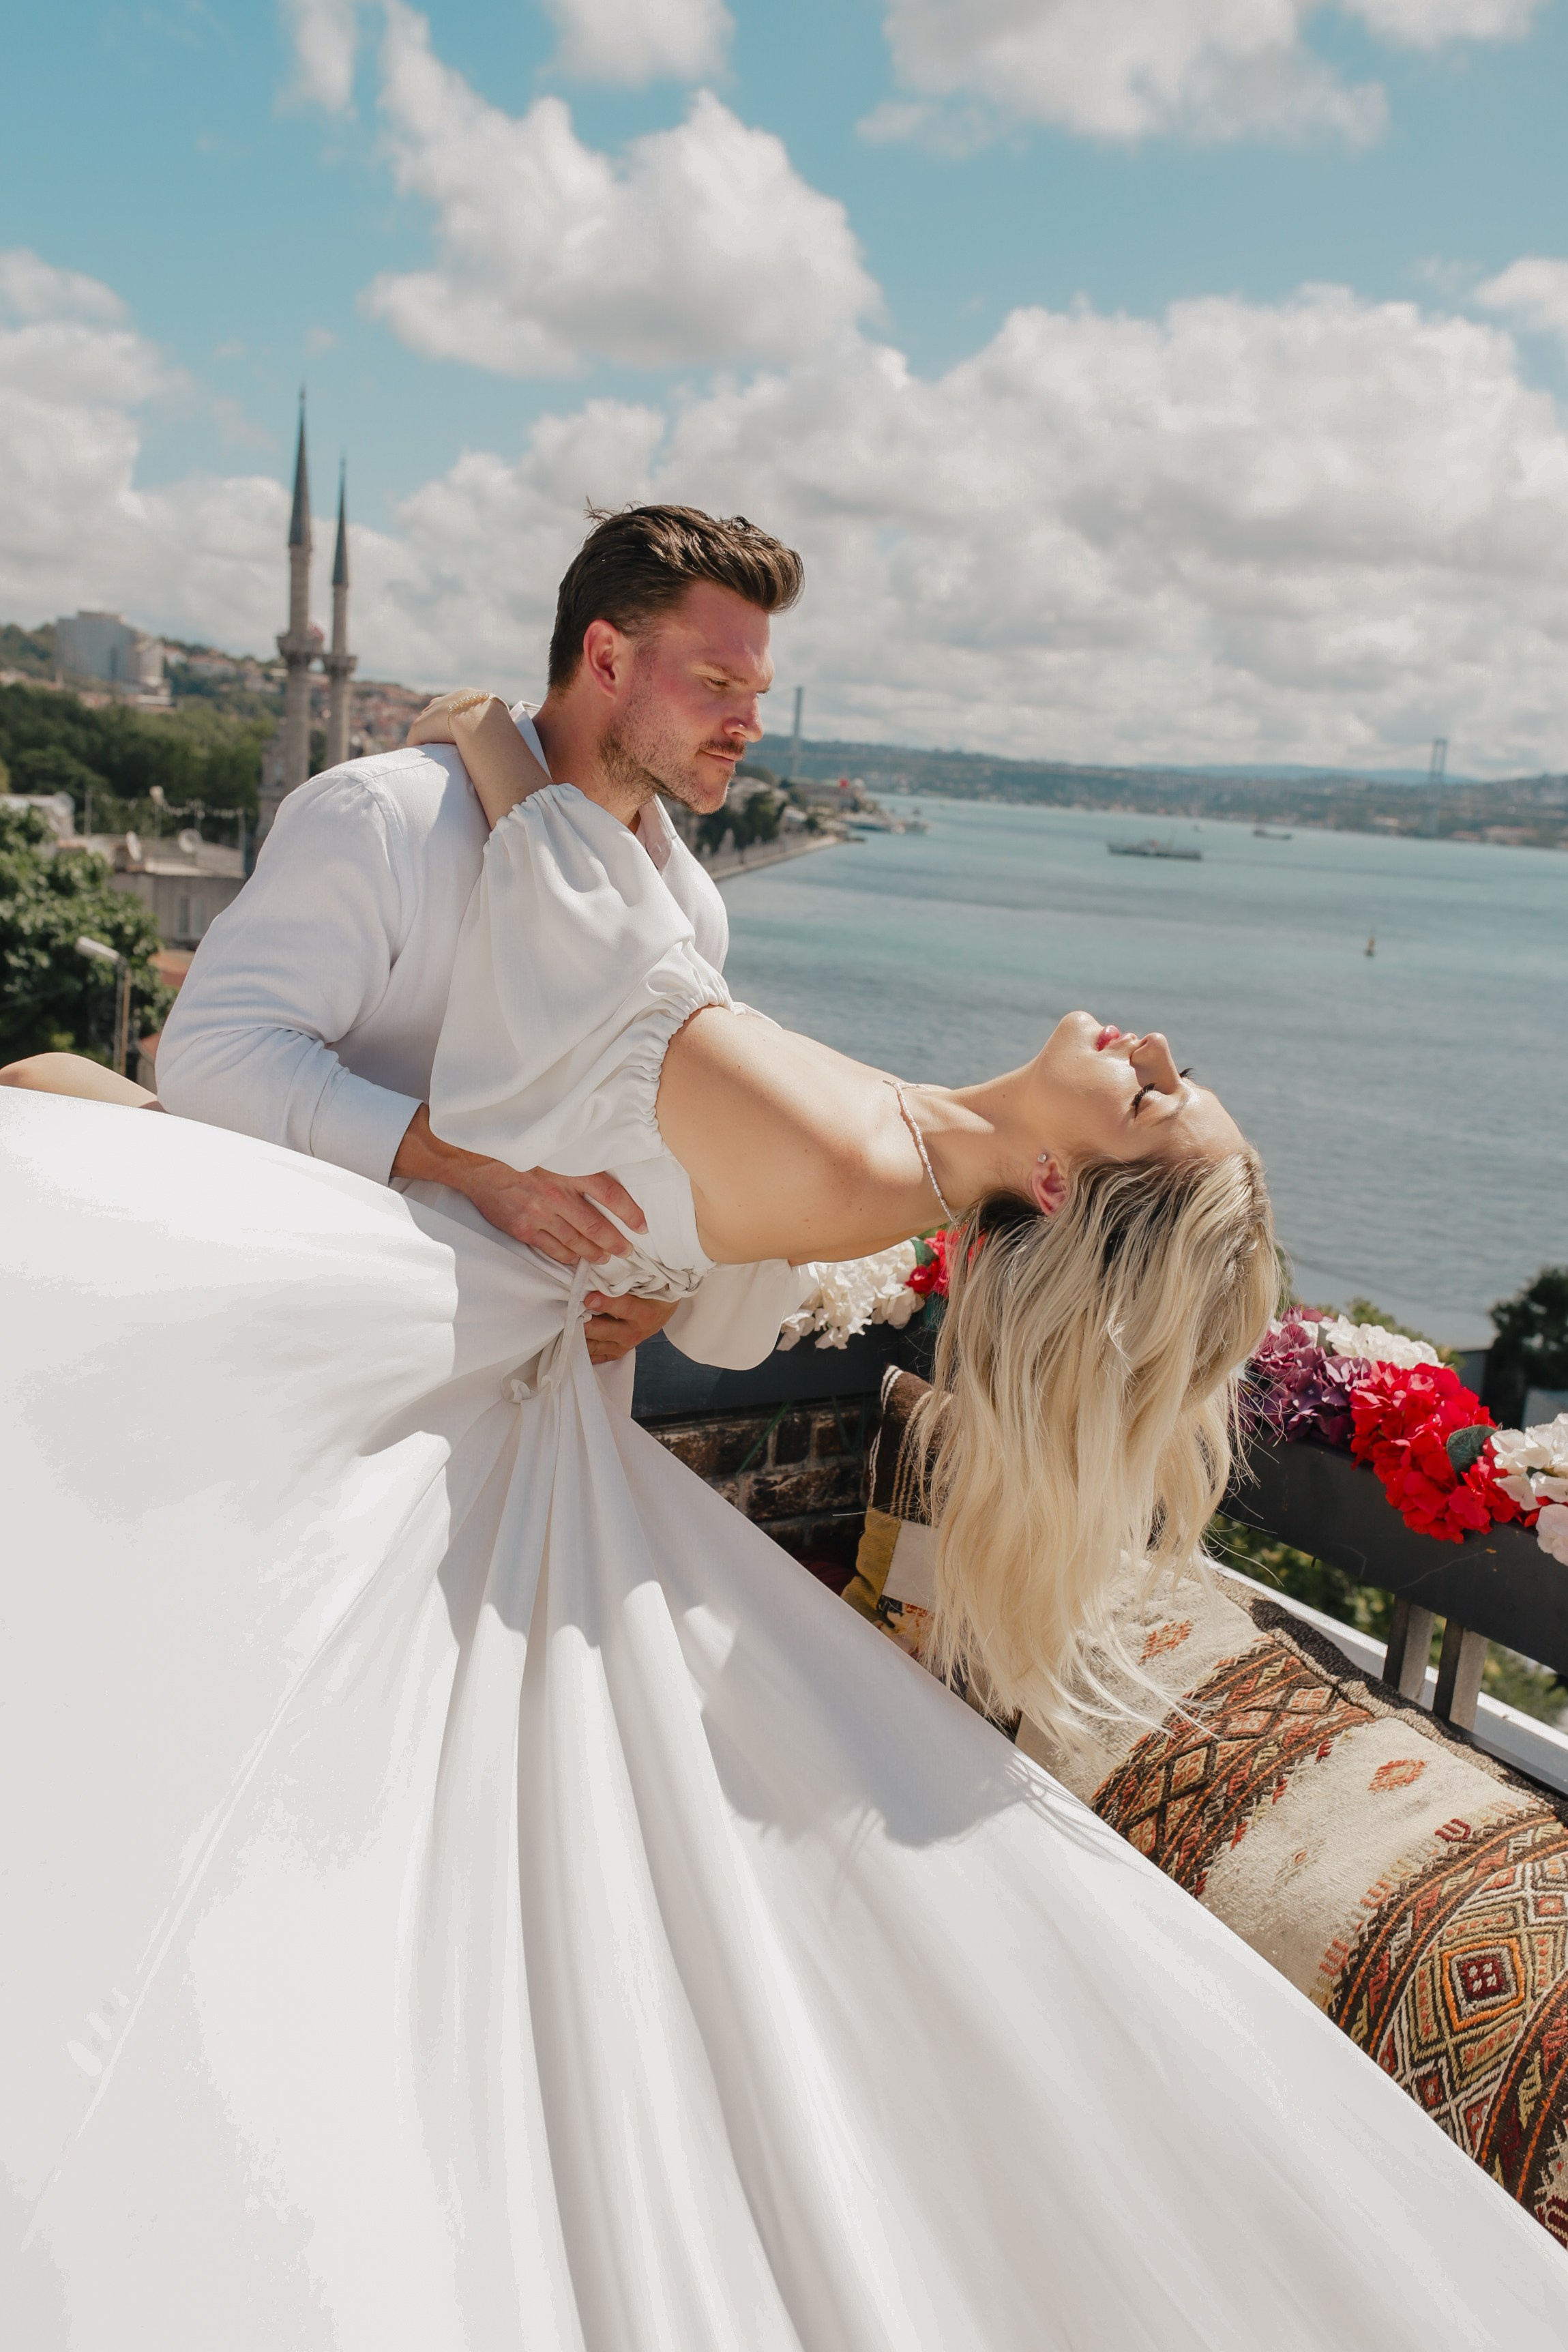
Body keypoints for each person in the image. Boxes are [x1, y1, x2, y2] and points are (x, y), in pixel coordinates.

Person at [3, 734, 1563, 2345]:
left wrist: (499, 741)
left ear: (1056, 1179)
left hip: (441, 1332)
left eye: (1153, 1093)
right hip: (490, 1346)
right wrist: (656, 1264)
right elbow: (719, 1272)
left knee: (56, 1145)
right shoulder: (895, 1159)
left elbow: (569, 909)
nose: (1148, 1041)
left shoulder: (862, 1155)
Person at [150, 501, 803, 1371]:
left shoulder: (689, 906)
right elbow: (211, 1055)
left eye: (756, 694)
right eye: (718, 684)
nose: (749, 724)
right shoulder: (385, 818)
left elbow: (649, 1145)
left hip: (546, 1386)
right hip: (307, 1356)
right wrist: (460, 1158)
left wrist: (662, 1288)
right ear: (607, 658)